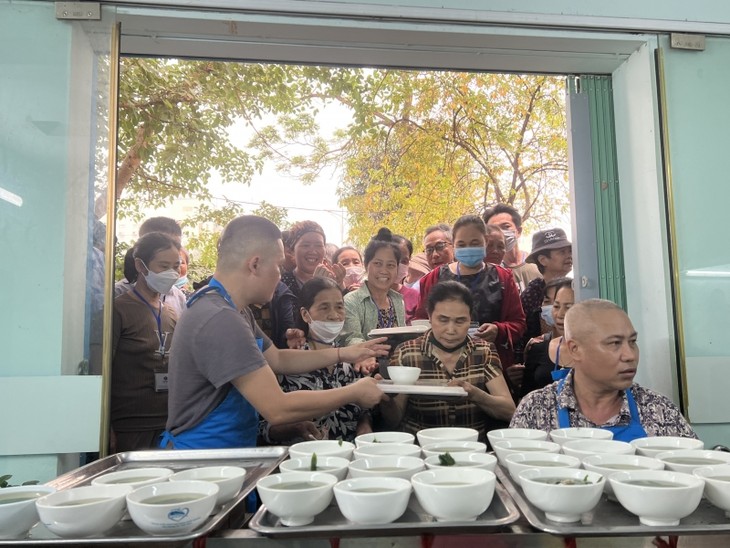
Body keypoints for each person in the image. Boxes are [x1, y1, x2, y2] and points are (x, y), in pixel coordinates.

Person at [161, 215, 388, 449]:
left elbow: (277, 358)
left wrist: (342, 354)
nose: (281, 275)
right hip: (204, 456)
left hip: (229, 451)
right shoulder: (220, 318)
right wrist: (353, 392)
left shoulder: (233, 309)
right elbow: (277, 407)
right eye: (279, 266)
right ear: (255, 264)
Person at [510, 299, 697, 441]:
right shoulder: (536, 409)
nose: (629, 355)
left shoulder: (658, 411)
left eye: (632, 342)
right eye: (615, 343)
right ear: (575, 349)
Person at [381, 281, 515, 441]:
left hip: (471, 450)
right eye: (443, 320)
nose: (451, 330)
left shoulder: (483, 351)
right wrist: (384, 400)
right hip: (420, 449)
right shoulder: (407, 352)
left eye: (460, 321)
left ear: (470, 318)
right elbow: (393, 420)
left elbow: (509, 411)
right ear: (429, 317)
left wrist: (474, 394)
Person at [259, 277, 371, 444]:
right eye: (324, 307)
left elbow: (364, 407)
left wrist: (365, 424)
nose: (334, 315)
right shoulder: (290, 364)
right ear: (305, 314)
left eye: (339, 307)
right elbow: (264, 427)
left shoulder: (353, 362)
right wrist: (294, 428)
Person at [414, 215, 526, 374]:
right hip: (441, 364)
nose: (468, 249)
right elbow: (421, 322)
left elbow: (519, 323)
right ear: (453, 244)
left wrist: (498, 330)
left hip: (490, 365)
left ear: (485, 242)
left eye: (475, 243)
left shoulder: (502, 277)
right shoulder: (434, 278)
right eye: (461, 244)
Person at [111, 232, 181, 452]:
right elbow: (101, 372)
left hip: (167, 425)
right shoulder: (118, 310)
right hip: (128, 427)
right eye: (163, 266)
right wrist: (107, 428)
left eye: (176, 266)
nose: (172, 273)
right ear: (141, 266)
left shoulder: (171, 313)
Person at [343, 228, 407, 346]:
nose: (384, 270)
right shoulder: (351, 301)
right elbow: (351, 339)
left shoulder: (398, 301)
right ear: (366, 265)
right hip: (364, 362)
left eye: (391, 265)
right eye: (377, 263)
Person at [115, 216, 187, 317]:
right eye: (162, 245)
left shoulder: (178, 298)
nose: (171, 250)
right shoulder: (117, 295)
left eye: (176, 246)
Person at [520, 277, 574, 397]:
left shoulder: (596, 353)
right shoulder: (536, 349)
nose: (560, 314)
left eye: (568, 307)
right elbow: (525, 397)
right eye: (556, 306)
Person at [520, 228, 573, 342]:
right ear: (543, 260)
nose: (569, 256)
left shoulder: (576, 288)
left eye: (570, 251)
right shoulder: (531, 295)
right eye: (562, 252)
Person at [483, 204, 540, 293]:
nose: (500, 233)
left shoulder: (538, 265)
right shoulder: (488, 272)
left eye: (506, 226)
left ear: (518, 231)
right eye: (494, 229)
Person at [280, 220, 345, 298]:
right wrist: (316, 286)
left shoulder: (332, 281)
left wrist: (340, 285)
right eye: (305, 245)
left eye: (318, 245)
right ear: (292, 251)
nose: (313, 251)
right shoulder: (282, 284)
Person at [392, 234, 419, 324]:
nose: (398, 265)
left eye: (404, 261)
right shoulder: (363, 297)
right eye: (393, 259)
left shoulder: (415, 297)